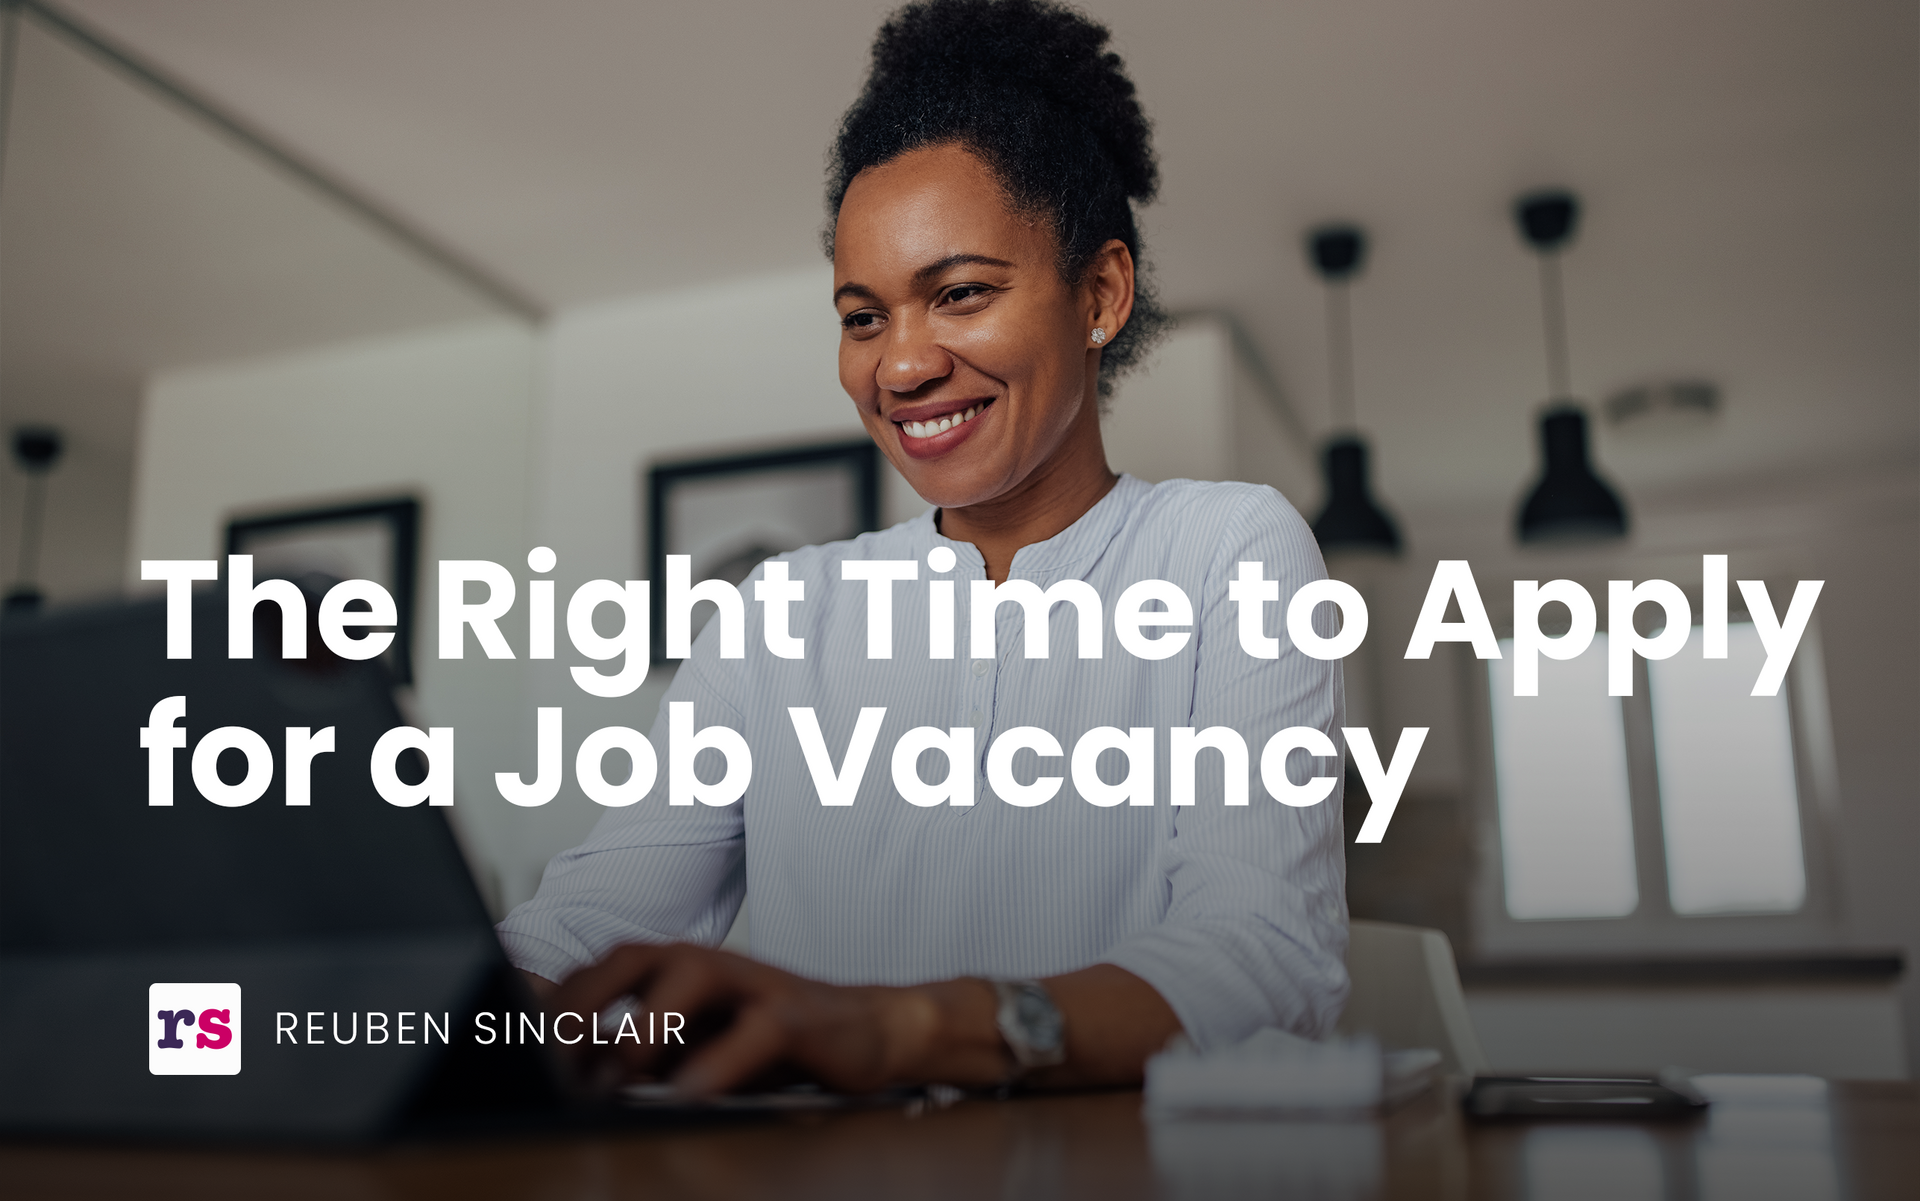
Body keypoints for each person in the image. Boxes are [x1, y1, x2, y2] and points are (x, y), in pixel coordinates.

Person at [498, 0, 1347, 1097]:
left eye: (958, 294)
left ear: (1100, 293)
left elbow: (1265, 954)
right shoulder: (780, 613)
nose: (898, 368)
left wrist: (905, 1029)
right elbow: (592, 924)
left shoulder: (1230, 553)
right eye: (862, 316)